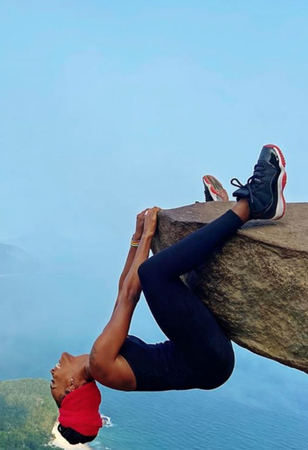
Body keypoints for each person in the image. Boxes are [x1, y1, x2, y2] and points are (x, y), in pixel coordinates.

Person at [50, 144, 287, 445]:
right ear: (71, 387)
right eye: (53, 383)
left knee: (170, 278)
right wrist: (148, 236)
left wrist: (136, 239)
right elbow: (130, 295)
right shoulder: (100, 364)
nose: (52, 372)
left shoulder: (100, 363)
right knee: (154, 275)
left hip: (203, 356)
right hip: (208, 361)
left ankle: (215, 215)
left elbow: (122, 291)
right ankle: (255, 204)